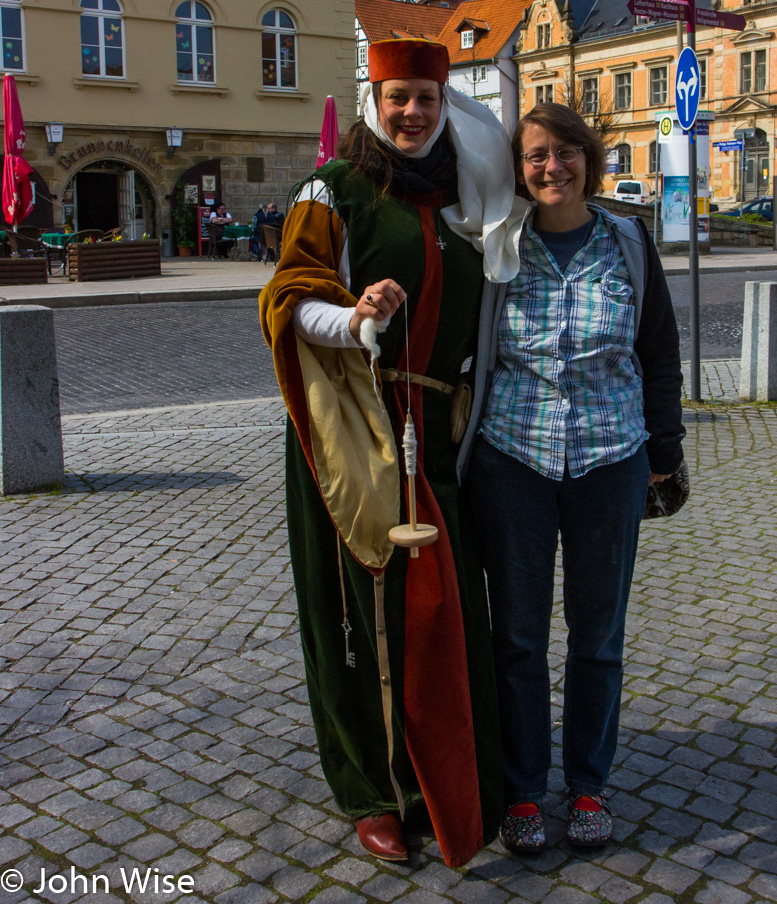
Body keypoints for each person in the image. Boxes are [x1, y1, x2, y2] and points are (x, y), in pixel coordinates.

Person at [259, 39, 525, 867]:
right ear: (375, 98)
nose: (413, 113)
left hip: (443, 432)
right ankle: (374, 790)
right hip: (356, 428)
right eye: (398, 97)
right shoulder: (333, 190)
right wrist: (358, 316)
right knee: (357, 615)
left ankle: (456, 774)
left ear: (446, 105)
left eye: (427, 99)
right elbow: (289, 297)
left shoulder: (470, 191)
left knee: (447, 611)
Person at [460, 103, 685, 852]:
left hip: (609, 460)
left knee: (598, 637)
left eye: (565, 153)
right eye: (535, 157)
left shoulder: (627, 241)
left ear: (587, 157)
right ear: (517, 169)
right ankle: (523, 791)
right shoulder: (499, 244)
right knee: (518, 638)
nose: (552, 168)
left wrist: (666, 449)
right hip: (513, 460)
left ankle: (588, 784)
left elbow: (658, 350)